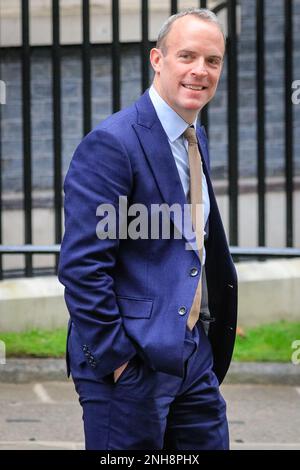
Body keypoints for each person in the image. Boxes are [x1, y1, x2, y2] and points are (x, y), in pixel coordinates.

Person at [58, 8, 238, 450]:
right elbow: (82, 268)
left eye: (212, 61)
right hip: (130, 367)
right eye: (187, 56)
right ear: (157, 60)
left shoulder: (194, 136)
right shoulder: (113, 143)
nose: (200, 70)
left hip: (192, 356)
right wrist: (119, 361)